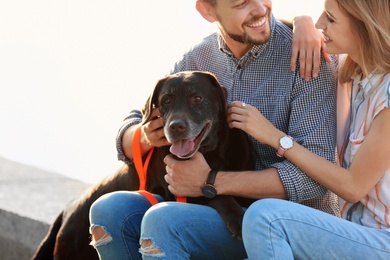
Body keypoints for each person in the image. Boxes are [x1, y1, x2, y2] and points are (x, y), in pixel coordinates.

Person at [89, 0, 339, 259]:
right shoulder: (198, 57)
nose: (259, 9)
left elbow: (315, 180)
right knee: (110, 210)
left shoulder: (306, 55)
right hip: (220, 210)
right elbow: (137, 119)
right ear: (207, 10)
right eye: (241, 3)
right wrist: (145, 135)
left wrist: (209, 182)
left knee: (164, 221)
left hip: (287, 226)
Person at [224, 0, 389, 258]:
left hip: (383, 241)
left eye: (331, 19)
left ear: (364, 26)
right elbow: (291, 30)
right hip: (352, 232)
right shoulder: (354, 73)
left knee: (266, 217)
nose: (320, 23)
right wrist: (302, 21)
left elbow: (353, 186)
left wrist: (275, 137)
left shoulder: (387, 97)